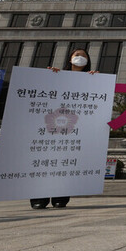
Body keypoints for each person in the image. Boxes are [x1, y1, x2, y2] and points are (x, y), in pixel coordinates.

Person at [30, 48, 97, 209]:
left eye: (83, 56)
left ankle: (60, 196)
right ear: (70, 58)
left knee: (65, 162)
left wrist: (96, 81)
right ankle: (39, 196)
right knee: (45, 161)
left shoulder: (92, 78)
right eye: (77, 55)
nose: (80, 58)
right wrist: (49, 76)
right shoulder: (57, 75)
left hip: (74, 127)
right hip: (52, 125)